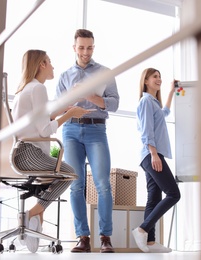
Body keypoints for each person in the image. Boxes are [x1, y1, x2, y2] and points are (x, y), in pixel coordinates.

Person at [12, 49, 92, 253]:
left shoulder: (24, 89)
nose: (53, 66)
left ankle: (37, 215)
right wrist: (71, 114)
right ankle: (33, 212)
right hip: (30, 154)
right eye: (50, 62)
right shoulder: (38, 89)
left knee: (60, 175)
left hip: (20, 153)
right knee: (71, 173)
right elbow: (46, 130)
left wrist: (61, 111)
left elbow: (39, 122)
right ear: (41, 65)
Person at [55, 29, 119, 253]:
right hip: (71, 130)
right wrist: (71, 100)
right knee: (76, 185)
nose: (85, 52)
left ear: (94, 47)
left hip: (96, 130)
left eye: (89, 47)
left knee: (103, 184)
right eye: (81, 47)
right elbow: (57, 109)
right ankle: (82, 237)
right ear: (74, 48)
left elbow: (114, 103)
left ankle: (105, 238)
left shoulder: (104, 73)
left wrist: (90, 96)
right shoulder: (64, 76)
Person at [132, 68, 181, 253]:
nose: (158, 79)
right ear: (145, 80)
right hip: (151, 154)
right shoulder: (145, 101)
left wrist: (170, 92)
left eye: (160, 76)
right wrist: (153, 154)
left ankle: (150, 242)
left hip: (150, 154)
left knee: (153, 198)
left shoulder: (153, 103)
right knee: (173, 194)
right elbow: (146, 131)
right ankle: (143, 229)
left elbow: (165, 113)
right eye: (155, 76)